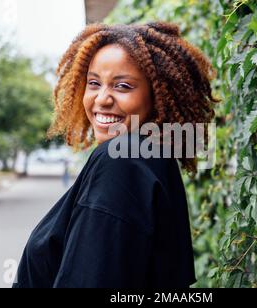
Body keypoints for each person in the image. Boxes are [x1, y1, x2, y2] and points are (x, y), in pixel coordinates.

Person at [13, 21, 220, 288]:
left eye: (122, 86)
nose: (101, 99)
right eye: (94, 83)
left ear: (157, 96)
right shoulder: (153, 158)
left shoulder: (121, 161)